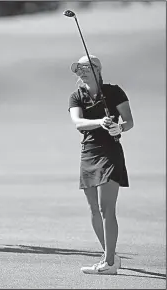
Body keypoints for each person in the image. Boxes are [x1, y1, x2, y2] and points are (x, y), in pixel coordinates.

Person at [68, 55, 134, 275]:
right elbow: (78, 122)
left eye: (86, 68)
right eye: (78, 69)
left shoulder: (114, 92)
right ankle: (111, 256)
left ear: (97, 70)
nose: (81, 72)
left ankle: (108, 264)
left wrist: (119, 128)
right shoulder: (76, 96)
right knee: (93, 209)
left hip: (110, 153)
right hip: (88, 152)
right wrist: (100, 122)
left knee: (107, 208)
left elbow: (129, 121)